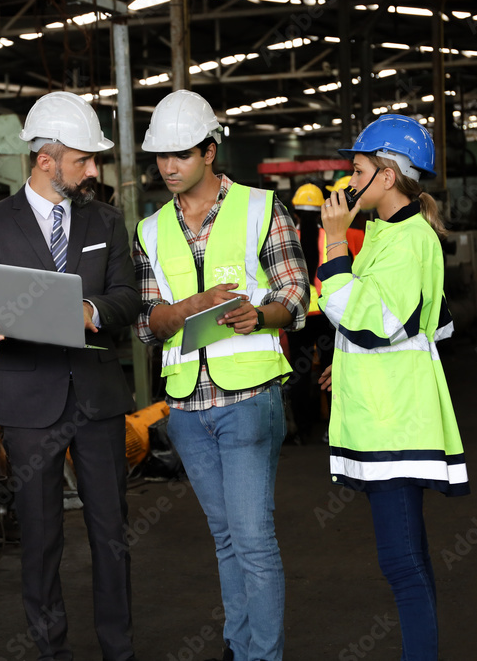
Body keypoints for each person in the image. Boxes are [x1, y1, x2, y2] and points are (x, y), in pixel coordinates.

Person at [0, 91, 140, 661]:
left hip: (97, 395)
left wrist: (88, 312)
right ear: (45, 160)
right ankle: (52, 651)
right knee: (40, 537)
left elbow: (127, 298)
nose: (93, 171)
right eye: (83, 161)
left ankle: (119, 651)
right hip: (29, 401)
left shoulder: (106, 220)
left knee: (111, 534)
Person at [133, 90, 309, 661]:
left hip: (249, 400)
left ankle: (264, 655)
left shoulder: (262, 208)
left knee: (253, 540)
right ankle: (239, 646)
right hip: (186, 409)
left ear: (209, 151)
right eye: (160, 156)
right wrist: (189, 307)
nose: (168, 166)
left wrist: (261, 315)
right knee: (226, 538)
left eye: (180, 154)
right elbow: (147, 324)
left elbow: (296, 295)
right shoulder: (150, 229)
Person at [316, 114, 470, 660]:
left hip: (395, 422)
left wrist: (335, 244)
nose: (348, 183)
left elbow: (372, 322)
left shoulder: (405, 239)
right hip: (390, 410)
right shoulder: (392, 232)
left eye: (357, 171)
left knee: (402, 565)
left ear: (386, 176)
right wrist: (350, 364)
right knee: (410, 561)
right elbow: (426, 321)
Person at [288, 182, 363, 444]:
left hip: (297, 316)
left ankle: (301, 430)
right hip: (327, 315)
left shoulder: (288, 239)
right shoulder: (331, 237)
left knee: (299, 374)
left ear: (295, 213)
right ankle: (333, 428)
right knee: (333, 371)